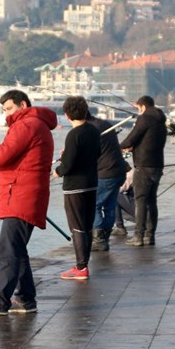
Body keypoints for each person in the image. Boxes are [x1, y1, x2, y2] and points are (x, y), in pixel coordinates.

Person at [0, 90, 57, 315]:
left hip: (21, 195)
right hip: (26, 191)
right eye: (4, 110)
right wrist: (4, 171)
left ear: (23, 104)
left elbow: (3, 154)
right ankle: (26, 298)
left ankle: (0, 299)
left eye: (9, 108)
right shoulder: (37, 125)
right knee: (17, 248)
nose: (6, 114)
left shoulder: (26, 124)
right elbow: (22, 161)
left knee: (8, 249)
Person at [53, 96, 101, 280]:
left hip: (75, 187)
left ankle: (81, 268)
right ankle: (83, 264)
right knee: (87, 225)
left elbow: (68, 165)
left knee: (77, 227)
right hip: (91, 183)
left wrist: (58, 171)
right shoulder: (93, 130)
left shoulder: (74, 134)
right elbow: (95, 153)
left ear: (66, 115)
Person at [120, 95, 168, 247]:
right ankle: (150, 235)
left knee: (140, 200)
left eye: (138, 109)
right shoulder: (161, 121)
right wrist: (136, 146)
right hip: (157, 165)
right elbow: (150, 140)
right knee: (151, 200)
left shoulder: (144, 118)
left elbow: (130, 139)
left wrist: (120, 147)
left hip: (143, 165)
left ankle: (138, 235)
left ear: (142, 106)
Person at [88, 111, 130, 252]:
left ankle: (99, 239)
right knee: (110, 206)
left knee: (95, 205)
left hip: (105, 173)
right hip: (119, 171)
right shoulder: (104, 124)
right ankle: (104, 238)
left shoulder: (89, 129)